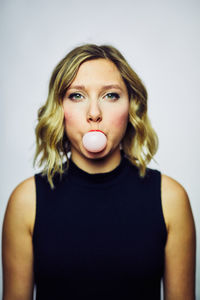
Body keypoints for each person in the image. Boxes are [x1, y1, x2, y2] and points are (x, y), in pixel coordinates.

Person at [2, 44, 196, 300]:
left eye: (111, 95)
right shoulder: (26, 201)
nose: (94, 113)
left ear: (131, 108)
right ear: (59, 109)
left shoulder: (170, 199)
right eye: (77, 96)